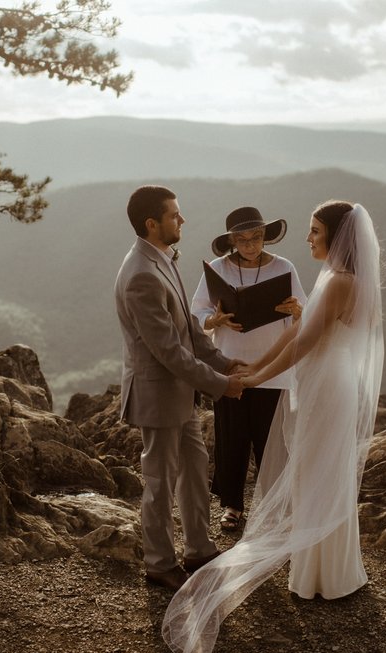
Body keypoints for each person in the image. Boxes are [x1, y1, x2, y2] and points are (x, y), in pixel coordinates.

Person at [162, 201, 384, 653]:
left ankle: (322, 576)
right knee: (320, 473)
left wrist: (254, 379)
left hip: (327, 390)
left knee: (316, 472)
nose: (308, 240)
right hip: (328, 385)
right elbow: (301, 332)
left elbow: (303, 342)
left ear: (337, 237)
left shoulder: (339, 282)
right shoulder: (343, 280)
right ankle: (330, 571)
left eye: (315, 231)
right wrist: (255, 370)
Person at [114, 185, 246, 593]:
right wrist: (222, 386)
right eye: (175, 215)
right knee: (159, 482)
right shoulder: (140, 276)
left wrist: (224, 361)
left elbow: (188, 326)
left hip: (182, 394)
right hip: (158, 396)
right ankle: (159, 564)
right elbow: (168, 351)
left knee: (194, 470)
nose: (182, 220)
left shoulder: (161, 259)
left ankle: (200, 549)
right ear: (152, 224)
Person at [191, 206, 307, 532]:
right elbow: (195, 313)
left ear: (264, 235)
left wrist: (297, 310)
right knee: (232, 438)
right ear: (231, 241)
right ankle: (231, 506)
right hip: (230, 366)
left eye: (255, 237)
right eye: (241, 240)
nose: (250, 246)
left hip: (274, 369)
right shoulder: (217, 269)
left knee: (271, 442)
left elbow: (306, 318)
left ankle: (272, 507)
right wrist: (214, 319)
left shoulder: (284, 268)